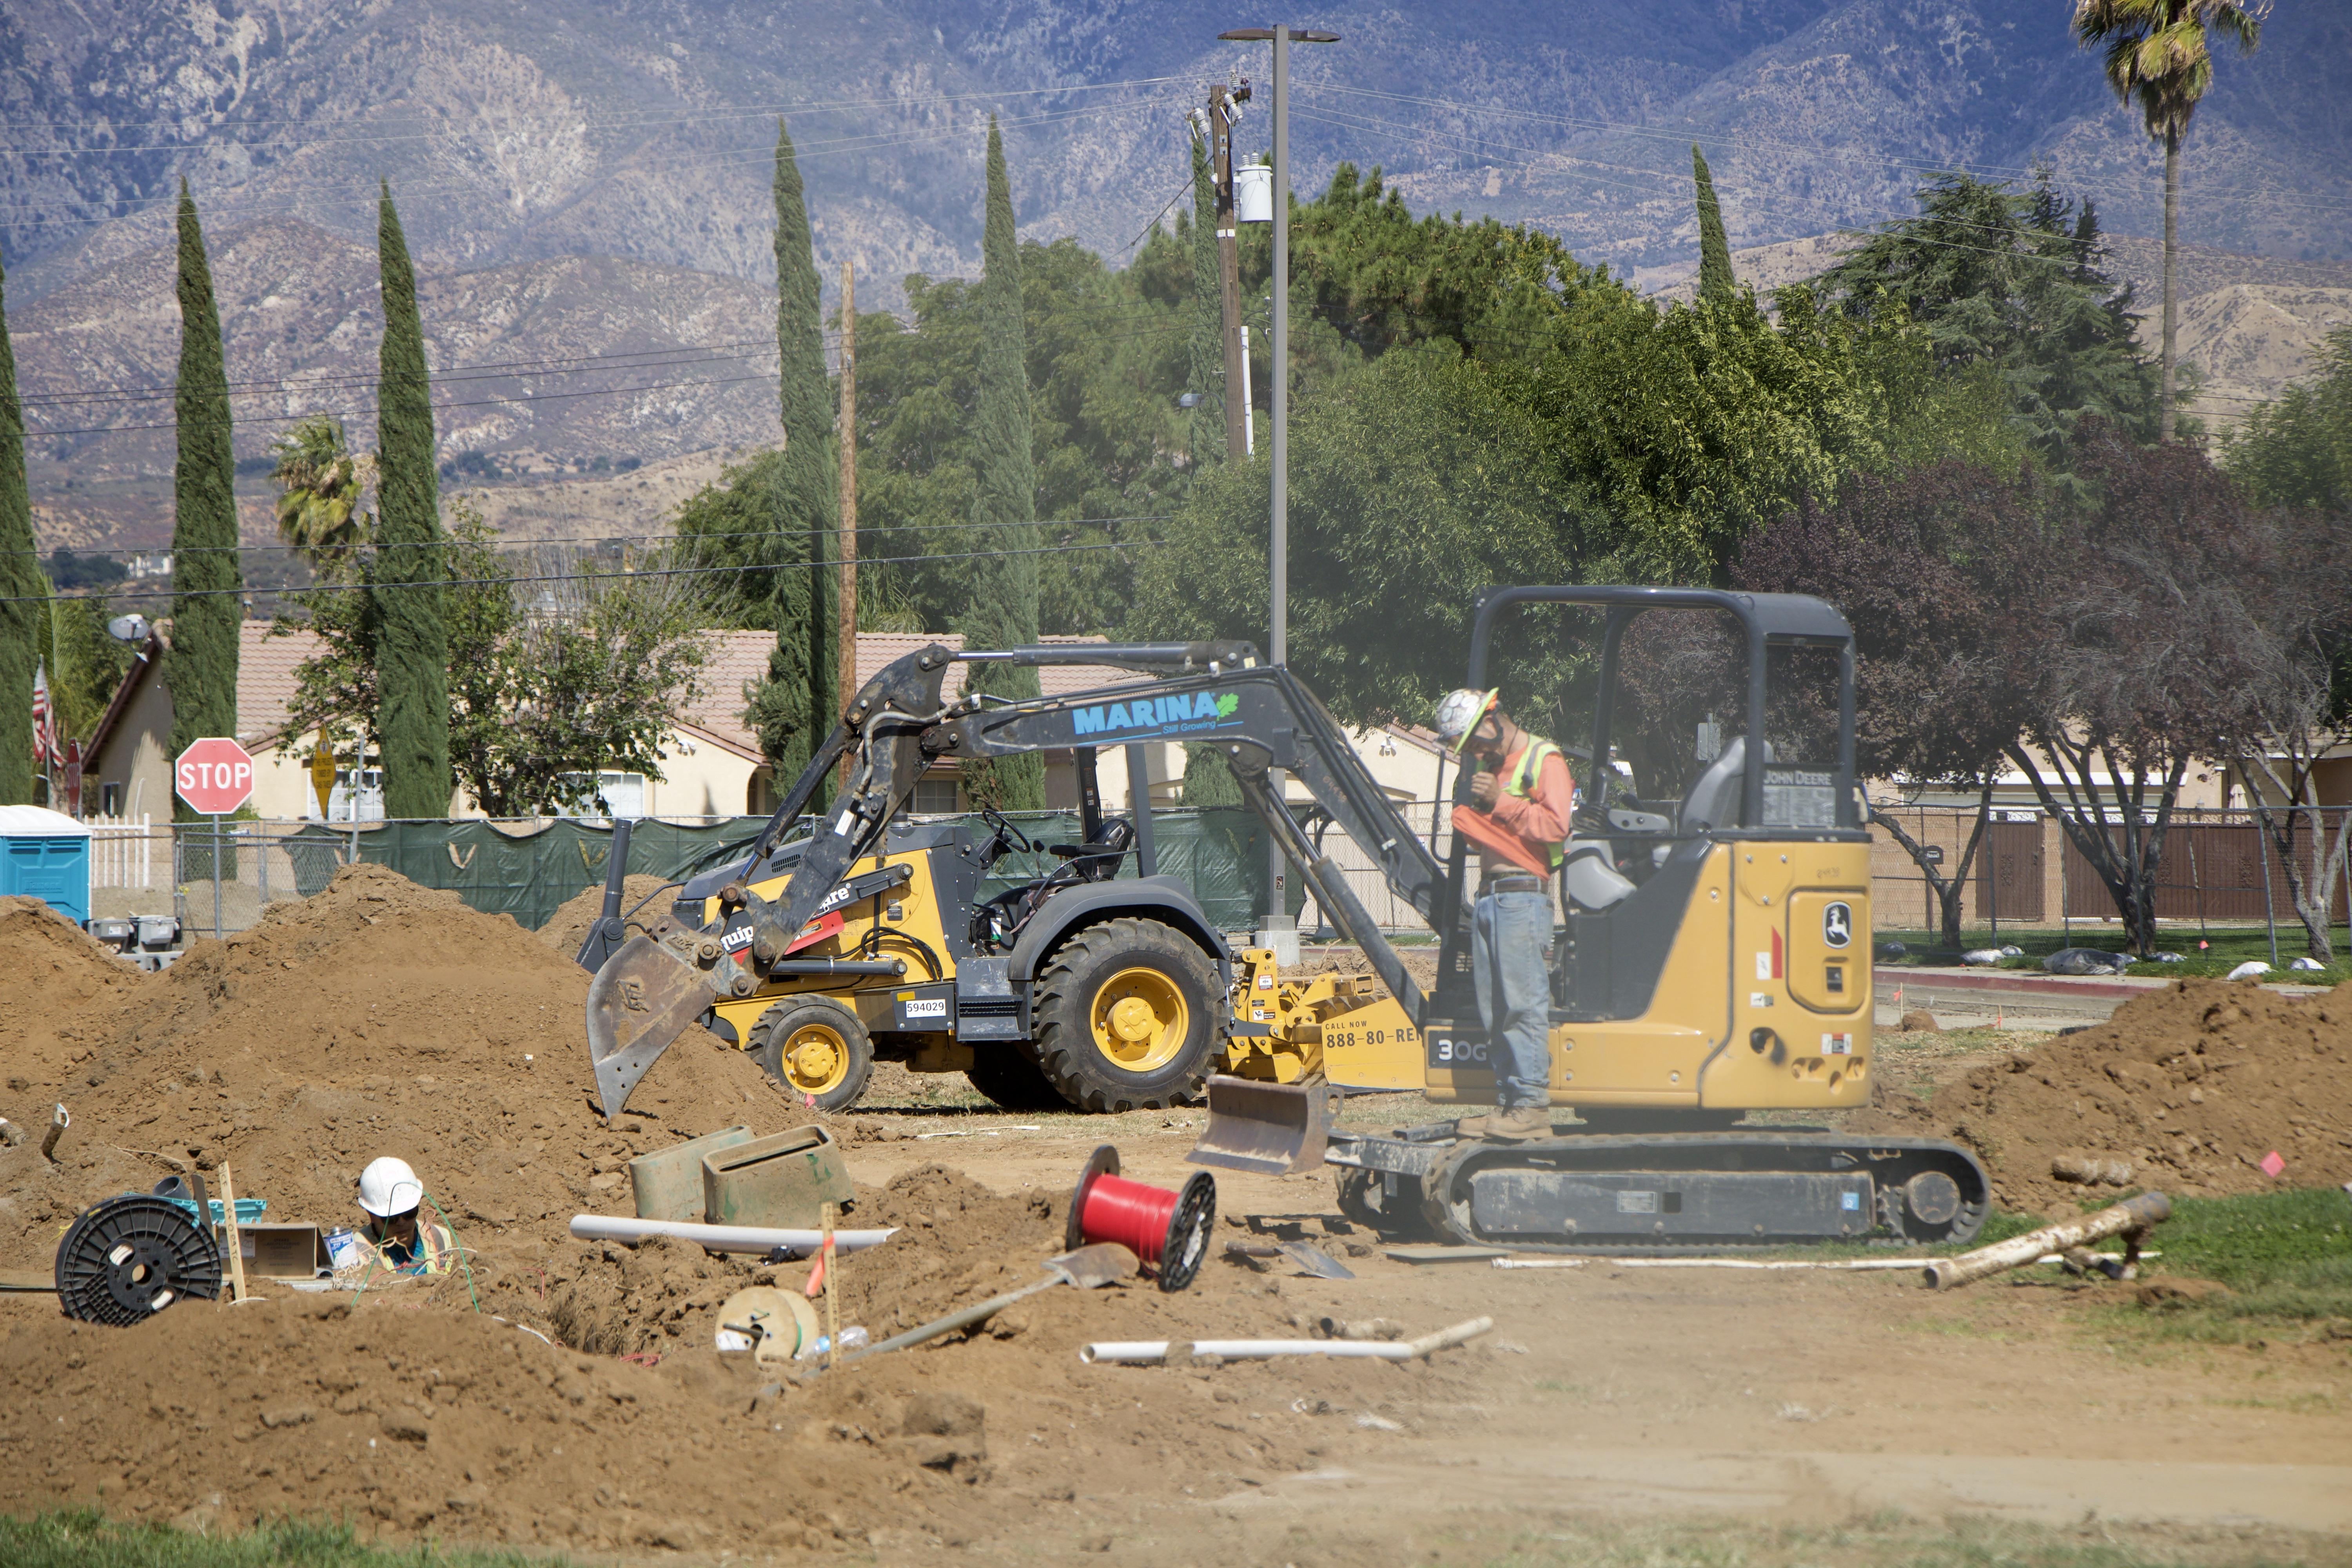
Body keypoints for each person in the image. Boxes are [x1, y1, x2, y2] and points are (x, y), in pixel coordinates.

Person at [1434, 688, 1574, 1141]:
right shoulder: (1492, 770)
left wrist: (1499, 801)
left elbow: (1557, 826)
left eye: (1476, 741)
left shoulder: (1544, 760)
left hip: (1522, 897)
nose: (1476, 752)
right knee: (1495, 1010)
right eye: (1468, 748)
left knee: (1521, 1004)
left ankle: (1531, 1106)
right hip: (1491, 897)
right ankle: (1510, 1105)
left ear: (1493, 718)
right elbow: (1496, 835)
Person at [354, 1156, 456, 1274]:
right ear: (371, 1214)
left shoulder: (439, 1238)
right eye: (392, 1218)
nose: (402, 1222)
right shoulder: (358, 1256)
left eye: (409, 1213)